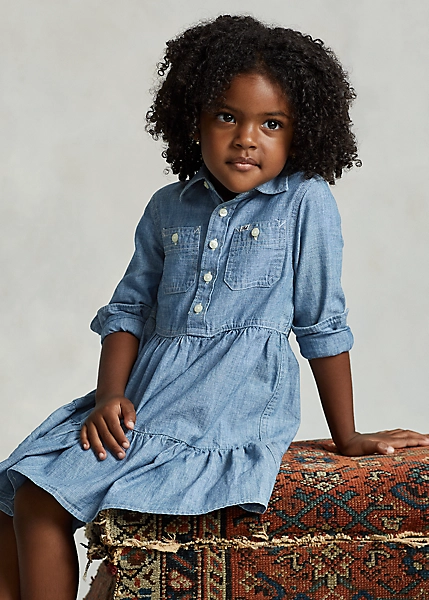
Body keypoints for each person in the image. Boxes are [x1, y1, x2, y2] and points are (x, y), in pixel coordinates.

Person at [0, 14, 427, 600]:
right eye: (227, 116)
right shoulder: (167, 206)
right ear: (193, 120)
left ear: (300, 133)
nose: (246, 138)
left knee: (77, 508)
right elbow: (129, 310)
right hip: (145, 395)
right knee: (24, 491)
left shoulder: (305, 201)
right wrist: (107, 397)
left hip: (227, 407)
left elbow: (322, 323)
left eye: (271, 123)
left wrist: (346, 436)